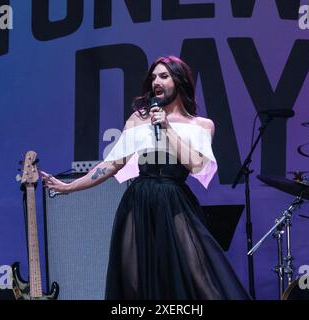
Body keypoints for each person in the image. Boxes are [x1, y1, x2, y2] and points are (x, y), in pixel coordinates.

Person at [42, 56, 250, 300]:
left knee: (198, 273)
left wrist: (167, 128)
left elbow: (196, 165)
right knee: (133, 279)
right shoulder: (137, 120)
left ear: (179, 81)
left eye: (163, 76)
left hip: (174, 200)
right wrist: (70, 187)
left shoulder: (201, 125)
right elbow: (112, 164)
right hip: (138, 201)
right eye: (153, 77)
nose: (156, 82)